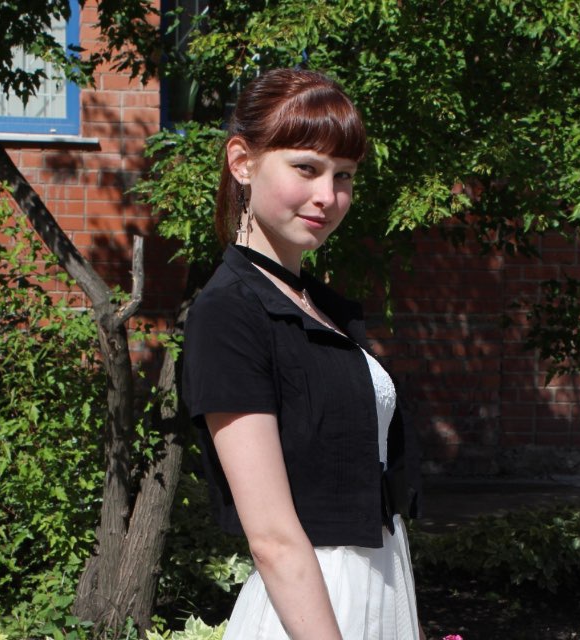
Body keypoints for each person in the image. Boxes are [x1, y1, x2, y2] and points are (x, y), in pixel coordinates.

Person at [182, 68, 425, 640]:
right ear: (242, 162)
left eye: (344, 175)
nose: (328, 196)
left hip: (380, 589)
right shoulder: (230, 313)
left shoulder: (317, 305)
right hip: (314, 610)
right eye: (306, 168)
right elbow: (271, 537)